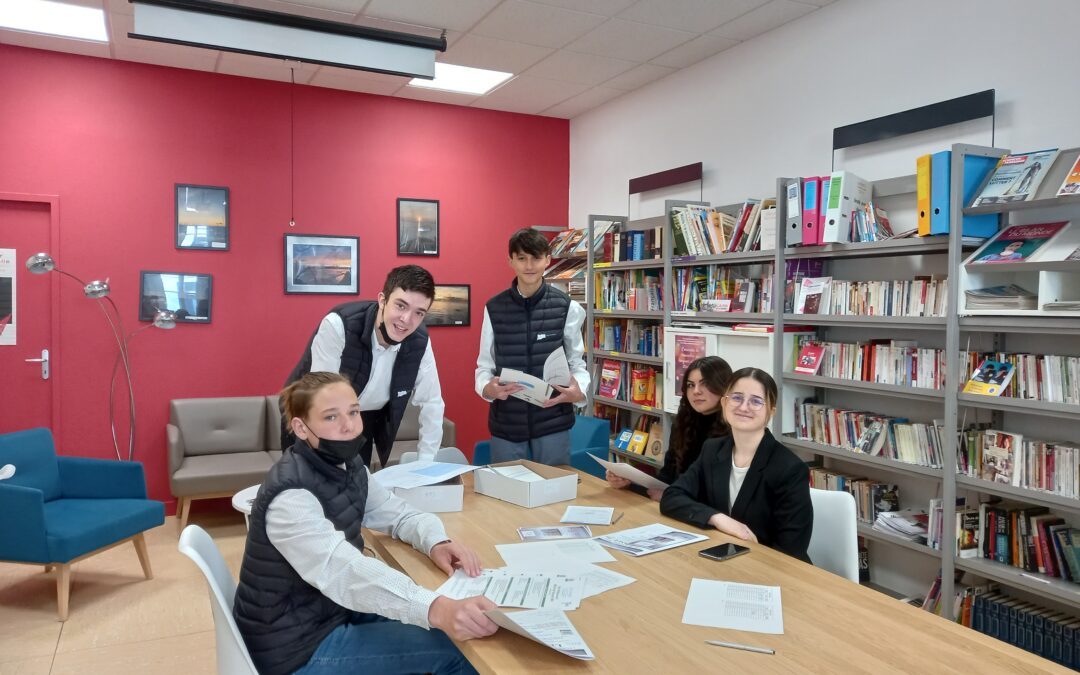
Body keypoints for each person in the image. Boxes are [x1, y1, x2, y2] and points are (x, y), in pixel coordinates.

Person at [233, 372, 497, 675]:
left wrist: (437, 541)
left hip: (331, 611)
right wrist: (435, 608)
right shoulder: (290, 496)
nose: (348, 427)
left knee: (446, 630)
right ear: (301, 428)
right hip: (296, 647)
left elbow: (395, 512)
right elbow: (341, 569)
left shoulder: (348, 465)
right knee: (453, 650)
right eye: (331, 417)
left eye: (354, 412)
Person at [285, 265, 445, 467]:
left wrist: (426, 465)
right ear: (382, 300)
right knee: (312, 486)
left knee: (358, 487)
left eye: (419, 313)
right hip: (309, 414)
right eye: (401, 306)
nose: (407, 320)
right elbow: (322, 401)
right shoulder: (338, 325)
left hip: (362, 417)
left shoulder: (420, 342)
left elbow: (432, 403)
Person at [660, 367, 813, 562]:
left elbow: (791, 551)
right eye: (736, 398)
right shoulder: (712, 450)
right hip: (725, 560)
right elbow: (671, 498)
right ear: (724, 403)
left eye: (756, 401)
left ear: (771, 411)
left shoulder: (790, 469)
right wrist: (718, 518)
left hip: (771, 570)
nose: (743, 407)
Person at [474, 228, 590, 465]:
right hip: (507, 424)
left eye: (536, 258)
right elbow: (484, 366)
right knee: (506, 497)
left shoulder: (567, 307)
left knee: (554, 496)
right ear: (511, 261)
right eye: (522, 258)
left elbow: (577, 363)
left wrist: (580, 392)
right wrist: (487, 389)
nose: (529, 265)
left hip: (553, 423)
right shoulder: (494, 308)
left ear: (547, 260)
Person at [606, 356, 733, 501]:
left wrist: (671, 497)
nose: (696, 391)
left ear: (723, 386)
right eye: (690, 385)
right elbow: (667, 477)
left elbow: (718, 497)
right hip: (674, 506)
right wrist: (628, 483)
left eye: (705, 384)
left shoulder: (733, 432)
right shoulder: (683, 422)